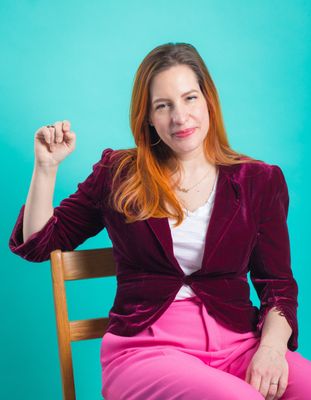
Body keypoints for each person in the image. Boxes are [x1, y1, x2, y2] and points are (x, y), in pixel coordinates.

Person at [9, 42, 311, 400]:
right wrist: (45, 168)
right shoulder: (118, 174)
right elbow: (41, 243)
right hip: (146, 352)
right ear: (148, 117)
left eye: (189, 98)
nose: (180, 117)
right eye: (163, 106)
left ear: (208, 100)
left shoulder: (259, 180)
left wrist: (272, 349)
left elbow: (277, 285)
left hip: (239, 345)